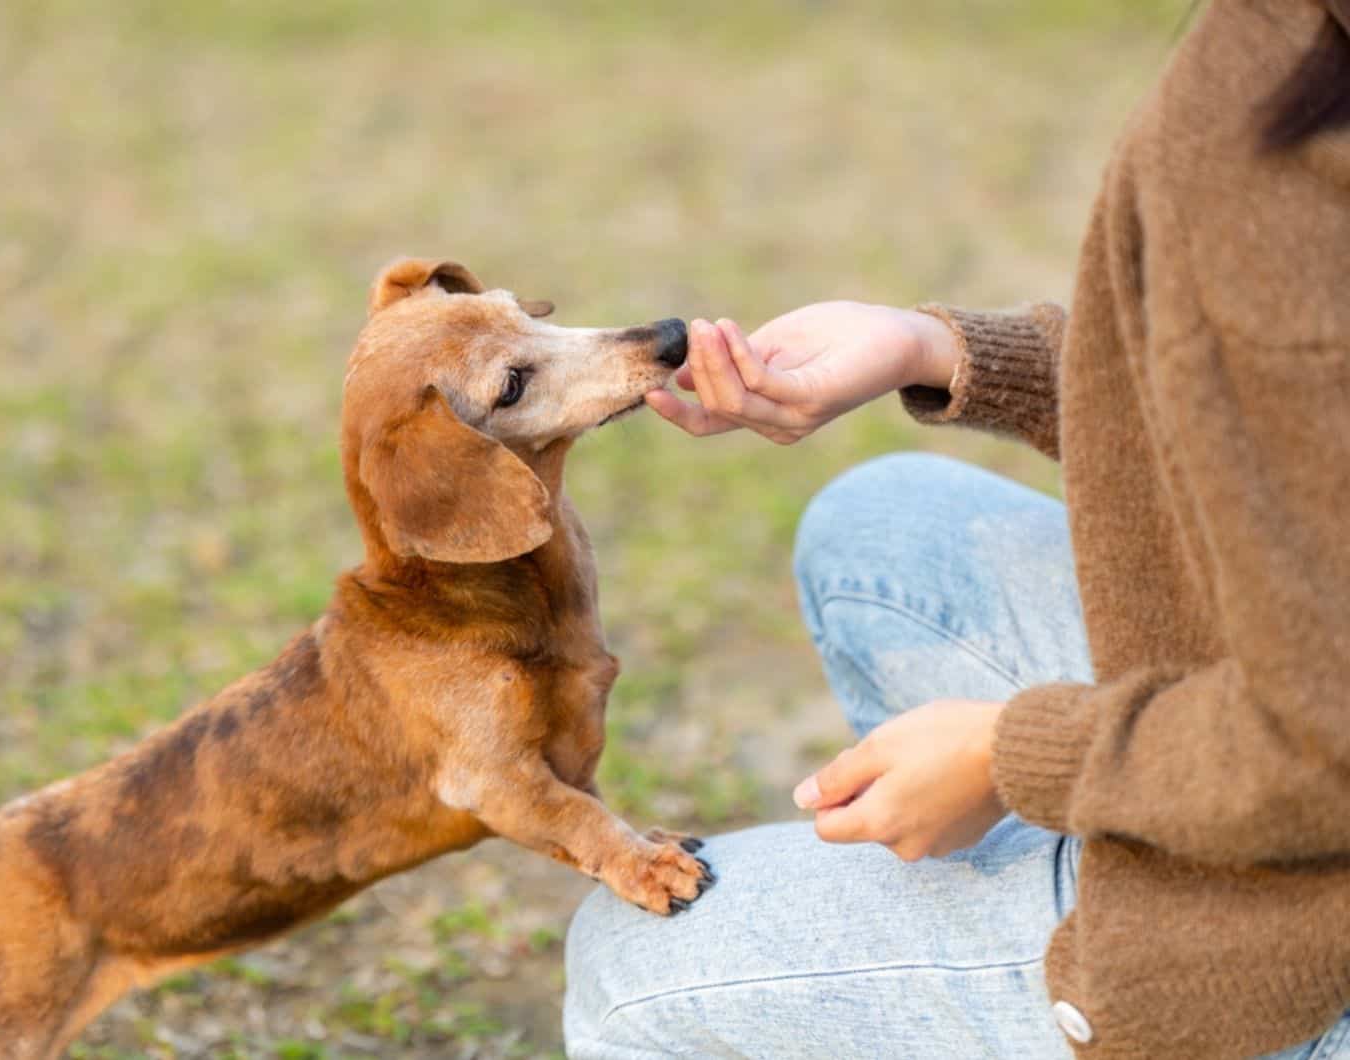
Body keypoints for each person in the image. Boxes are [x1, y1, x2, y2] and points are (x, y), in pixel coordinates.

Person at [562, 1, 1350, 1057]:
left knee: (626, 972)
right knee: (884, 542)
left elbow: (1322, 740)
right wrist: (931, 349)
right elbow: (1274, 420)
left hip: (1308, 920)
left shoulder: (1287, 138)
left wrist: (1009, 755)